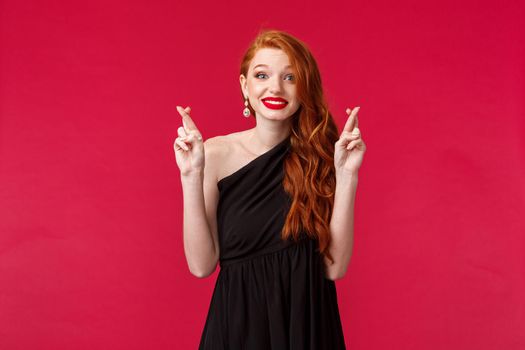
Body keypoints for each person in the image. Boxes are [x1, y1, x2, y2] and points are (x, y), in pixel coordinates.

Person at [173, 29, 365, 350]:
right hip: (239, 327)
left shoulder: (323, 155)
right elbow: (201, 265)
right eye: (262, 75)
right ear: (244, 85)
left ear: (304, 88)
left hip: (308, 327)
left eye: (290, 77)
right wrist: (191, 175)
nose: (275, 87)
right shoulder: (214, 154)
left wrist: (347, 174)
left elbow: (334, 267)